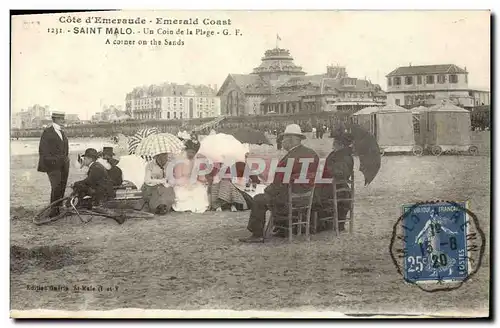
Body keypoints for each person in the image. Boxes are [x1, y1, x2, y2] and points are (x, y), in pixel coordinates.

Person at [239, 124, 319, 243]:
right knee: (272, 195)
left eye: (284, 139)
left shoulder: (289, 158)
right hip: (306, 197)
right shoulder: (313, 154)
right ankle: (282, 228)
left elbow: (279, 184)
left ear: (291, 140)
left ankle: (257, 234)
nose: (282, 142)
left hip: (289, 199)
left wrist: (266, 190)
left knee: (259, 199)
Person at [315, 130, 354, 232]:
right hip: (338, 187)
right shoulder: (341, 154)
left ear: (340, 145)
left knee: (314, 195)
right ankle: (325, 223)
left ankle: (322, 224)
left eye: (335, 143)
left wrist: (328, 170)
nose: (333, 144)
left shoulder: (342, 156)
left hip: (335, 187)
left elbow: (340, 173)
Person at [37, 111, 70, 217]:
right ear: (54, 119)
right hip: (52, 165)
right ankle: (53, 211)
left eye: (63, 118)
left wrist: (65, 159)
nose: (63, 120)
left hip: (64, 165)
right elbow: (43, 151)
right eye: (60, 119)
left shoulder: (62, 132)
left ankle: (58, 209)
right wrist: (55, 161)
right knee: (56, 186)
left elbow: (65, 149)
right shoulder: (47, 132)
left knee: (62, 186)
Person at [170, 139, 210, 213]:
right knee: (182, 193)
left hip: (193, 182)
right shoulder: (180, 160)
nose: (191, 154)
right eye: (190, 152)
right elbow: (177, 176)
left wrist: (202, 180)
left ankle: (196, 206)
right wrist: (186, 183)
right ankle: (185, 207)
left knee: (199, 190)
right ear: (186, 151)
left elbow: (200, 177)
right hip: (180, 183)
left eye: (193, 152)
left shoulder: (197, 161)